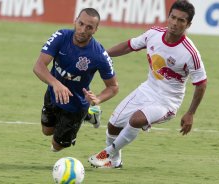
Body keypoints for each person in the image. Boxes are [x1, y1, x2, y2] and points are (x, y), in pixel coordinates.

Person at [88, 0, 207, 168]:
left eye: (181, 20)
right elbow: (129, 46)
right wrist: (103, 55)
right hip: (147, 90)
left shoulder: (190, 53)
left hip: (167, 102)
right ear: (168, 16)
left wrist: (190, 113)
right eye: (173, 17)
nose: (175, 23)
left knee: (136, 120)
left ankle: (107, 153)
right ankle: (115, 162)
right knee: (114, 125)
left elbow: (201, 84)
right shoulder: (154, 34)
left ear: (188, 24)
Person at [33, 8, 118, 152]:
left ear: (95, 30)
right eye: (81, 23)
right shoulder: (61, 36)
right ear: (75, 21)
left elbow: (113, 87)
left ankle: (88, 112)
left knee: (56, 146)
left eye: (89, 27)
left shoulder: (99, 55)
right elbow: (39, 66)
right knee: (47, 131)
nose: (83, 29)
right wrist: (55, 83)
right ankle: (90, 115)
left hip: (75, 106)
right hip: (53, 94)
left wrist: (97, 99)